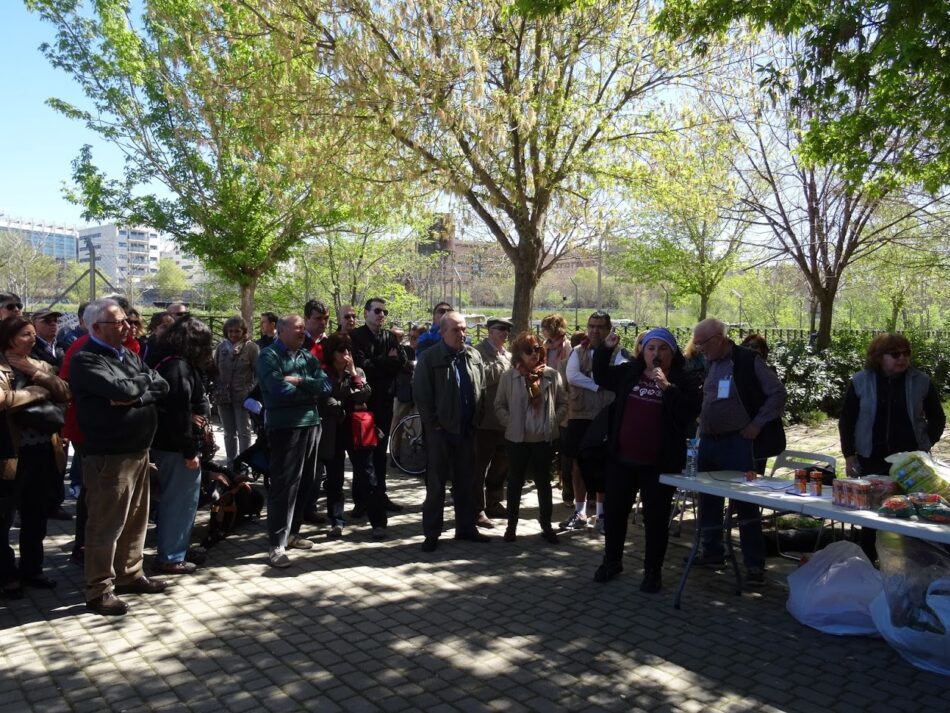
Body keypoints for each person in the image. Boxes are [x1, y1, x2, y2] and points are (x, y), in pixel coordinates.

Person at [70, 298, 170, 616]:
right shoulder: (86, 359)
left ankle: (130, 573)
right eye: (119, 322)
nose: (127, 326)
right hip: (108, 456)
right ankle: (99, 590)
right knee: (106, 524)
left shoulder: (126, 353)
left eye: (126, 320)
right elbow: (124, 390)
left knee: (137, 518)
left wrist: (131, 394)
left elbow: (161, 384)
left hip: (138, 450)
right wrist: (132, 391)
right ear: (96, 327)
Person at [592, 328, 702, 592]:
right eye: (651, 348)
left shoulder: (683, 380)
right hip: (622, 460)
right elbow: (601, 376)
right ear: (642, 351)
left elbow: (689, 411)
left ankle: (653, 571)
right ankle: (612, 561)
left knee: (656, 520)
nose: (656, 353)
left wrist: (667, 387)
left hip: (659, 464)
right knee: (616, 514)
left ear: (672, 353)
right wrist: (605, 349)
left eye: (662, 348)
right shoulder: (630, 372)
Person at [691, 318, 787, 586]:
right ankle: (712, 552)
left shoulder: (748, 361)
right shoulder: (709, 361)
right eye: (696, 343)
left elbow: (777, 394)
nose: (698, 348)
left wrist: (757, 424)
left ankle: (754, 564)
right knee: (708, 498)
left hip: (739, 443)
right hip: (710, 441)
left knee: (746, 503)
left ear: (719, 339)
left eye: (702, 343)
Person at [839, 332, 945, 560]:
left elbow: (937, 417)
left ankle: (911, 566)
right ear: (879, 357)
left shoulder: (921, 381)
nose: (902, 358)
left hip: (911, 463)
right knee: (870, 517)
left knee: (912, 514)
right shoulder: (860, 381)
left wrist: (925, 443)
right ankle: (866, 565)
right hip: (871, 457)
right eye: (895, 354)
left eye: (906, 353)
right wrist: (849, 455)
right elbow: (847, 420)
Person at [0, 316, 71, 599]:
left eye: (32, 334)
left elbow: (65, 392)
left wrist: (36, 374)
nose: (32, 339)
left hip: (44, 450)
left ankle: (33, 569)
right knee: (4, 518)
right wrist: (34, 392)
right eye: (25, 335)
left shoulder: (39, 363)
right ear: (8, 337)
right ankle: (6, 575)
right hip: (8, 455)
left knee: (36, 515)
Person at [255, 314, 330, 568]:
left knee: (307, 482)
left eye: (302, 329)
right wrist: (310, 392)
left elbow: (326, 386)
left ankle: (293, 533)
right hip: (285, 428)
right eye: (297, 328)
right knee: (284, 486)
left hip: (312, 425)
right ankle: (276, 544)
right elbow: (278, 392)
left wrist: (298, 381)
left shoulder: (307, 357)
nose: (302, 332)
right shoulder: (268, 356)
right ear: (281, 330)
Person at [415, 311, 489, 551]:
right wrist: (433, 423)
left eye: (464, 329)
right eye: (456, 329)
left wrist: (477, 418)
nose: (462, 334)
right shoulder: (430, 357)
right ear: (443, 332)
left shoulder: (473, 355)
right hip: (440, 432)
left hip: (467, 431)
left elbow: (483, 389)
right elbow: (422, 395)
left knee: (466, 483)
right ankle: (432, 534)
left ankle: (466, 528)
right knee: (436, 486)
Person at [150, 317, 214, 575]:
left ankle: (176, 549)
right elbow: (178, 414)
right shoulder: (178, 368)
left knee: (178, 501)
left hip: (171, 445)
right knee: (180, 502)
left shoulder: (171, 363)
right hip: (175, 448)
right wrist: (189, 451)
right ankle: (171, 556)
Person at [494, 331, 566, 544]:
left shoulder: (551, 375)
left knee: (544, 484)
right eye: (529, 350)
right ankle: (511, 526)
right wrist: (511, 422)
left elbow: (563, 402)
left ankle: (546, 526)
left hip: (543, 439)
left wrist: (553, 419)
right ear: (518, 354)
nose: (534, 354)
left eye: (538, 349)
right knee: (515, 483)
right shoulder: (509, 376)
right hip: (517, 439)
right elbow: (499, 405)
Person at [561, 311, 625, 533]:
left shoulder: (617, 353)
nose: (594, 330)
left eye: (599, 327)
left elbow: (618, 376)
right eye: (591, 326)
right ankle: (579, 512)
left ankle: (601, 514)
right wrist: (598, 384)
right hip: (579, 414)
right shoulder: (578, 351)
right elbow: (572, 376)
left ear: (608, 329)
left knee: (603, 464)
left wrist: (596, 379)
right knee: (578, 464)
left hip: (604, 416)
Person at [320, 332, 386, 539]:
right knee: (334, 478)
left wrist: (353, 374)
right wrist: (342, 404)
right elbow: (323, 399)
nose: (346, 354)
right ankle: (336, 520)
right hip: (333, 431)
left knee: (368, 475)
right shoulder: (323, 374)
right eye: (341, 350)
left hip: (357, 430)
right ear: (332, 353)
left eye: (348, 349)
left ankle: (378, 521)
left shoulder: (357, 372)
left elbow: (365, 394)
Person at [351, 297, 407, 514]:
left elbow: (400, 362)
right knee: (362, 454)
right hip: (364, 404)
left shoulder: (389, 337)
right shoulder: (356, 336)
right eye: (377, 311)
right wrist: (386, 361)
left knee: (380, 454)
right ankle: (361, 501)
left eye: (384, 312)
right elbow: (361, 366)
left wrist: (381, 362)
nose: (381, 315)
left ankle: (380, 496)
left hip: (385, 402)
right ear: (366, 313)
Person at [473, 317, 513, 525]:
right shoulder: (477, 352)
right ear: (489, 331)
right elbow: (480, 378)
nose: (505, 333)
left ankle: (494, 502)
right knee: (479, 466)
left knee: (502, 464)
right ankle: (477, 509)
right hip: (485, 420)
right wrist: (503, 367)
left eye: (507, 330)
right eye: (501, 329)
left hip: (505, 421)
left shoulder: (508, 354)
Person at [213, 316, 260, 470]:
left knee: (244, 432)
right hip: (223, 396)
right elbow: (214, 370)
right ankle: (231, 463)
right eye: (231, 331)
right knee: (228, 432)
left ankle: (244, 463)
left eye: (237, 331)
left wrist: (251, 390)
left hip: (243, 395)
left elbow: (258, 372)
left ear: (243, 331)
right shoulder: (221, 348)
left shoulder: (251, 348)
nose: (234, 334)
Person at [302, 299, 330, 364]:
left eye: (326, 318)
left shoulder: (330, 343)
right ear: (306, 319)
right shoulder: (296, 342)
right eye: (318, 318)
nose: (323, 322)